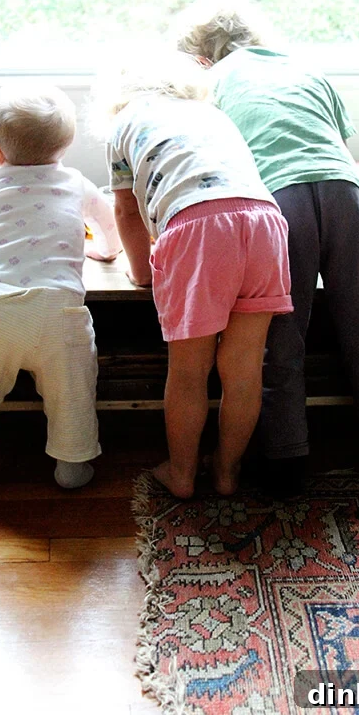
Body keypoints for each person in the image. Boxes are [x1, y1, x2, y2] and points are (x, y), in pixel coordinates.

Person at [177, 0, 359, 494]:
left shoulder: (211, 83)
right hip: (346, 191)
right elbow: (333, 136)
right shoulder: (306, 69)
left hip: (275, 200)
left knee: (278, 329)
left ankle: (284, 456)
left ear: (202, 57)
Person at [99, 51, 293, 498]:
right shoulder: (212, 114)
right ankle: (227, 472)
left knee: (189, 371)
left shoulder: (123, 124)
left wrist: (141, 273)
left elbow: (126, 210)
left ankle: (182, 474)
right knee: (244, 369)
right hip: (265, 221)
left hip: (197, 227)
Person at [0, 83, 122, 488]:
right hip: (58, 309)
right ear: (65, 146)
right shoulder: (76, 182)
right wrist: (107, 252)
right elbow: (108, 225)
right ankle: (72, 467)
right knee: (72, 392)